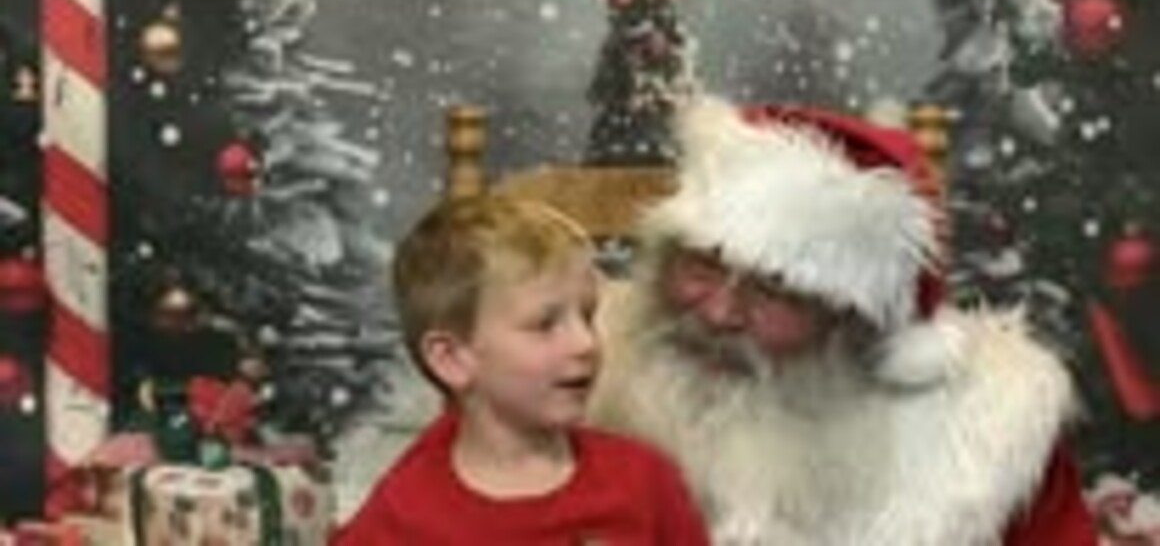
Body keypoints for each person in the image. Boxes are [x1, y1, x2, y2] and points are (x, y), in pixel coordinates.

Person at [590, 96, 1099, 546]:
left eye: (775, 290)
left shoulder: (985, 436)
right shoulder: (577, 369)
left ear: (852, 323)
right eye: (702, 264)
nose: (718, 313)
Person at [334, 195, 710, 545]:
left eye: (587, 315)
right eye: (545, 325)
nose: (586, 343)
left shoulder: (643, 481)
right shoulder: (403, 516)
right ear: (452, 359)